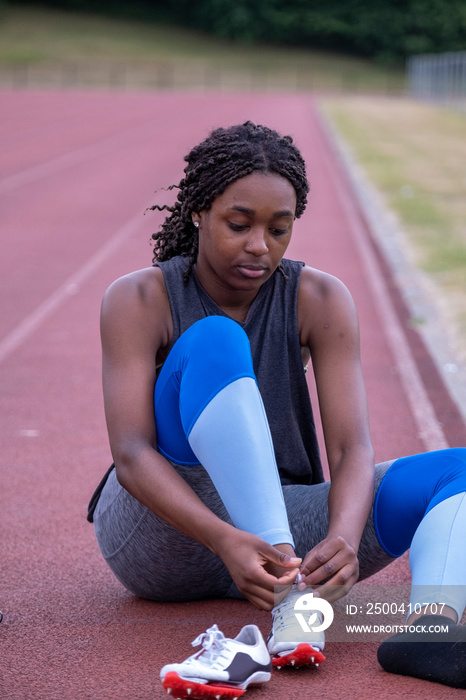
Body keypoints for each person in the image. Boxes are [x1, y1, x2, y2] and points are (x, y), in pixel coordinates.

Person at [88, 122, 466, 698]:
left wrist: (341, 537)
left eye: (279, 229)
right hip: (163, 532)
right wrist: (224, 538)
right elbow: (132, 454)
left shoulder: (320, 297)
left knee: (457, 470)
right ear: (197, 212)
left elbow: (350, 448)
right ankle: (295, 603)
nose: (259, 246)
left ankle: (432, 632)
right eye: (239, 225)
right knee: (216, 340)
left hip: (283, 532)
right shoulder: (139, 298)